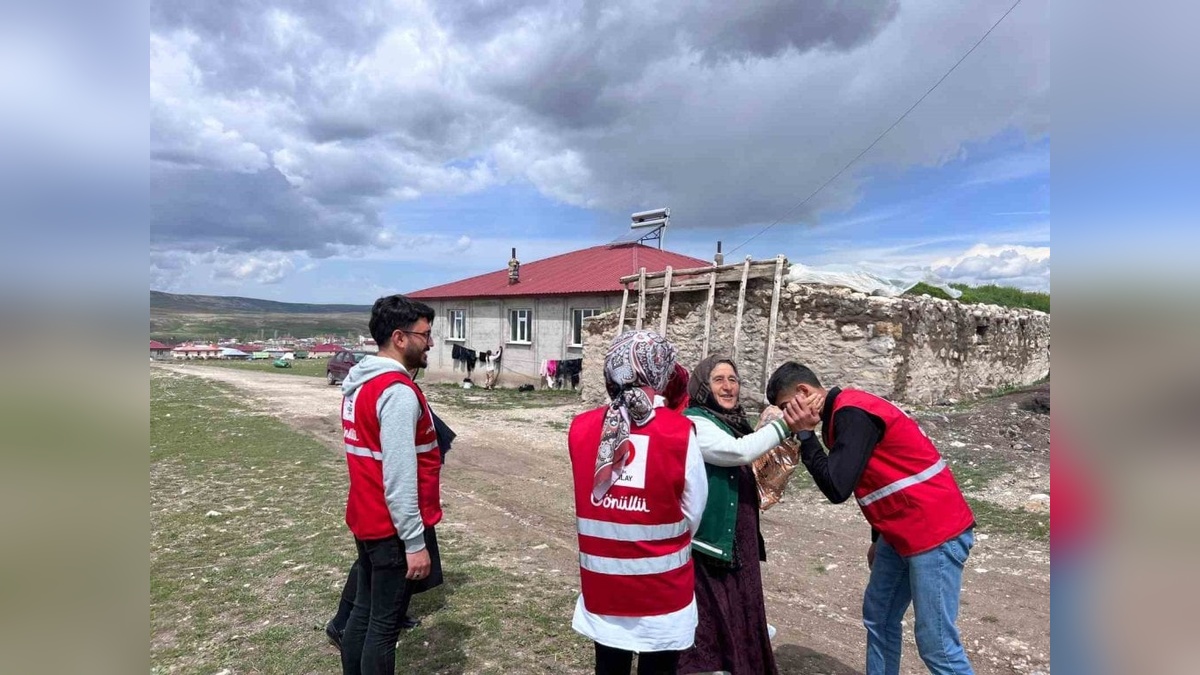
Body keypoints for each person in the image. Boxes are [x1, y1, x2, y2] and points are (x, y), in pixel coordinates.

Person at [766, 362, 977, 675]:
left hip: (934, 532)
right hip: (900, 532)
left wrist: (806, 437)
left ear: (804, 392)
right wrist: (879, 537)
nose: (788, 415)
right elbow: (880, 477)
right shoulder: (847, 411)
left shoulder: (852, 414)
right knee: (879, 616)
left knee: (937, 645)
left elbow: (837, 487)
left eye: (787, 407)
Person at [567, 330, 708, 675]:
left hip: (603, 586)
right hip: (662, 591)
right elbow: (693, 511)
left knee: (608, 668)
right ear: (661, 371)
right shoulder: (679, 432)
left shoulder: (581, 428)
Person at [678, 355, 810, 675]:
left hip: (740, 535)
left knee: (740, 605)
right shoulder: (695, 421)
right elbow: (738, 453)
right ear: (702, 386)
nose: (728, 386)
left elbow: (753, 456)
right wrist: (784, 425)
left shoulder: (732, 422)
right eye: (719, 380)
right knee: (713, 616)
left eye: (733, 380)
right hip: (710, 540)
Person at [339, 295, 445, 675]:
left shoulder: (360, 384)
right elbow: (400, 477)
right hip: (391, 529)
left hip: (366, 518)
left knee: (362, 616)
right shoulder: (397, 393)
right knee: (382, 628)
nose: (430, 343)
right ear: (400, 338)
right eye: (426, 334)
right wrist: (415, 543)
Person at [325, 410, 457, 648]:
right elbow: (398, 470)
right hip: (391, 509)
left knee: (382, 575)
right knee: (379, 571)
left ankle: (384, 612)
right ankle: (343, 620)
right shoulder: (393, 390)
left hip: (395, 506)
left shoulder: (392, 387)